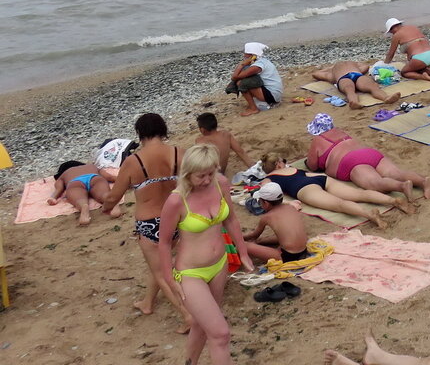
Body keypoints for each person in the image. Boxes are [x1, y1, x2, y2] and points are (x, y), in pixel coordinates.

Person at [159, 144, 253, 365]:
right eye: (201, 176)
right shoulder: (176, 200)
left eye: (211, 173)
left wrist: (243, 252)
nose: (207, 180)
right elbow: (163, 243)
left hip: (219, 265)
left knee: (204, 325)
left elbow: (231, 219)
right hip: (191, 272)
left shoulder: (220, 184)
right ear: (187, 174)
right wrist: (169, 279)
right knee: (220, 334)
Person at [101, 113, 189, 327]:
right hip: (177, 218)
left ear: (140, 134)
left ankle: (187, 316)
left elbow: (114, 195)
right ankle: (147, 302)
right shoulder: (180, 153)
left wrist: (106, 208)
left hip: (150, 223)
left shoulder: (134, 161)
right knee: (160, 265)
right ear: (163, 130)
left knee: (161, 272)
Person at [260, 152, 405, 228]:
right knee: (358, 194)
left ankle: (369, 215)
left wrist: (287, 203)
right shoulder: (292, 168)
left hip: (303, 187)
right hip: (319, 178)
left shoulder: (270, 178)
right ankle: (392, 200)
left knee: (339, 204)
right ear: (279, 164)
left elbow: (267, 193)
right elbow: (307, 174)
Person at [305, 118, 430, 200]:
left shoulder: (318, 140)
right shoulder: (340, 132)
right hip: (368, 153)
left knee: (374, 182)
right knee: (395, 173)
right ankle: (423, 181)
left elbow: (313, 166)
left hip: (349, 162)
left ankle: (401, 186)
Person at [243, 181, 310, 263]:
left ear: (266, 203)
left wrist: (238, 238)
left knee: (244, 246)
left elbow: (254, 235)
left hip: (288, 256)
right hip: (304, 249)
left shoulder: (267, 217)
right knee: (280, 236)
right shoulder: (290, 207)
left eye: (259, 201)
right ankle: (260, 242)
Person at [49, 160, 114, 226]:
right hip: (94, 177)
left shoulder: (65, 173)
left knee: (79, 199)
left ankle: (83, 206)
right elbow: (109, 177)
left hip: (75, 182)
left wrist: (53, 197)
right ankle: (109, 201)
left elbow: (59, 188)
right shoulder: (91, 166)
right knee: (103, 194)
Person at [225, 42, 281, 117]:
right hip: (274, 93)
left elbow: (234, 77)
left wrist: (242, 64)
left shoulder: (258, 66)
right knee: (244, 80)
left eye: (246, 53)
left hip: (272, 95)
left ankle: (253, 108)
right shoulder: (261, 61)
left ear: (252, 55)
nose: (244, 55)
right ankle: (254, 105)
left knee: (240, 83)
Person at [310, 61, 392, 108]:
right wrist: (330, 68)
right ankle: (354, 102)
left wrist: (330, 68)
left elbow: (366, 66)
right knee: (349, 89)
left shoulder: (332, 71)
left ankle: (386, 98)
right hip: (344, 77)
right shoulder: (332, 74)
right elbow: (315, 74)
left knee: (372, 86)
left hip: (356, 75)